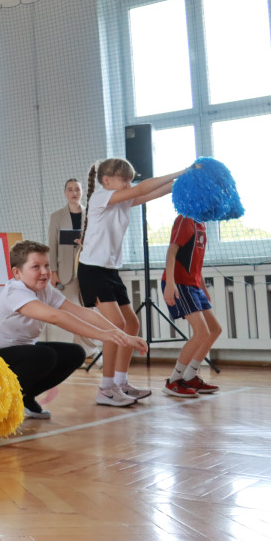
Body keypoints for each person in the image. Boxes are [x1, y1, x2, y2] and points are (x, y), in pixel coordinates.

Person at [0, 241, 149, 419]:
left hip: (18, 354)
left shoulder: (45, 290)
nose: (44, 272)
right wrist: (104, 335)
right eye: (36, 267)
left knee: (75, 353)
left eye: (47, 265)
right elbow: (56, 317)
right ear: (17, 273)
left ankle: (25, 396)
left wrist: (123, 336)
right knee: (44, 355)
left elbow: (81, 312)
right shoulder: (15, 292)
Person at [78, 157, 193, 406]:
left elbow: (152, 193)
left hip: (110, 271)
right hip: (92, 271)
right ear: (106, 180)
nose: (130, 183)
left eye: (131, 179)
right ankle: (105, 388)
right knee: (116, 325)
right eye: (125, 179)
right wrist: (180, 169)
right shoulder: (100, 197)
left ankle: (121, 382)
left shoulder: (121, 200)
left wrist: (183, 181)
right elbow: (142, 189)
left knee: (131, 323)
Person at [161, 214, 222, 397]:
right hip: (179, 283)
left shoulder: (201, 223)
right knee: (201, 332)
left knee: (214, 329)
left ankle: (190, 377)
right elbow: (172, 251)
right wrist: (170, 284)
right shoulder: (185, 219)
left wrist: (202, 287)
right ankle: (173, 381)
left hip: (194, 285)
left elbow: (195, 261)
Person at [47, 178, 101, 362]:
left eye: (77, 189)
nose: (74, 193)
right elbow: (52, 246)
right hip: (65, 273)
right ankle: (87, 350)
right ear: (65, 193)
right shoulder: (56, 216)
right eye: (70, 189)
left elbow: (99, 240)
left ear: (82, 191)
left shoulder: (92, 214)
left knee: (88, 309)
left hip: (88, 269)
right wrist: (53, 272)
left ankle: (86, 350)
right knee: (75, 312)